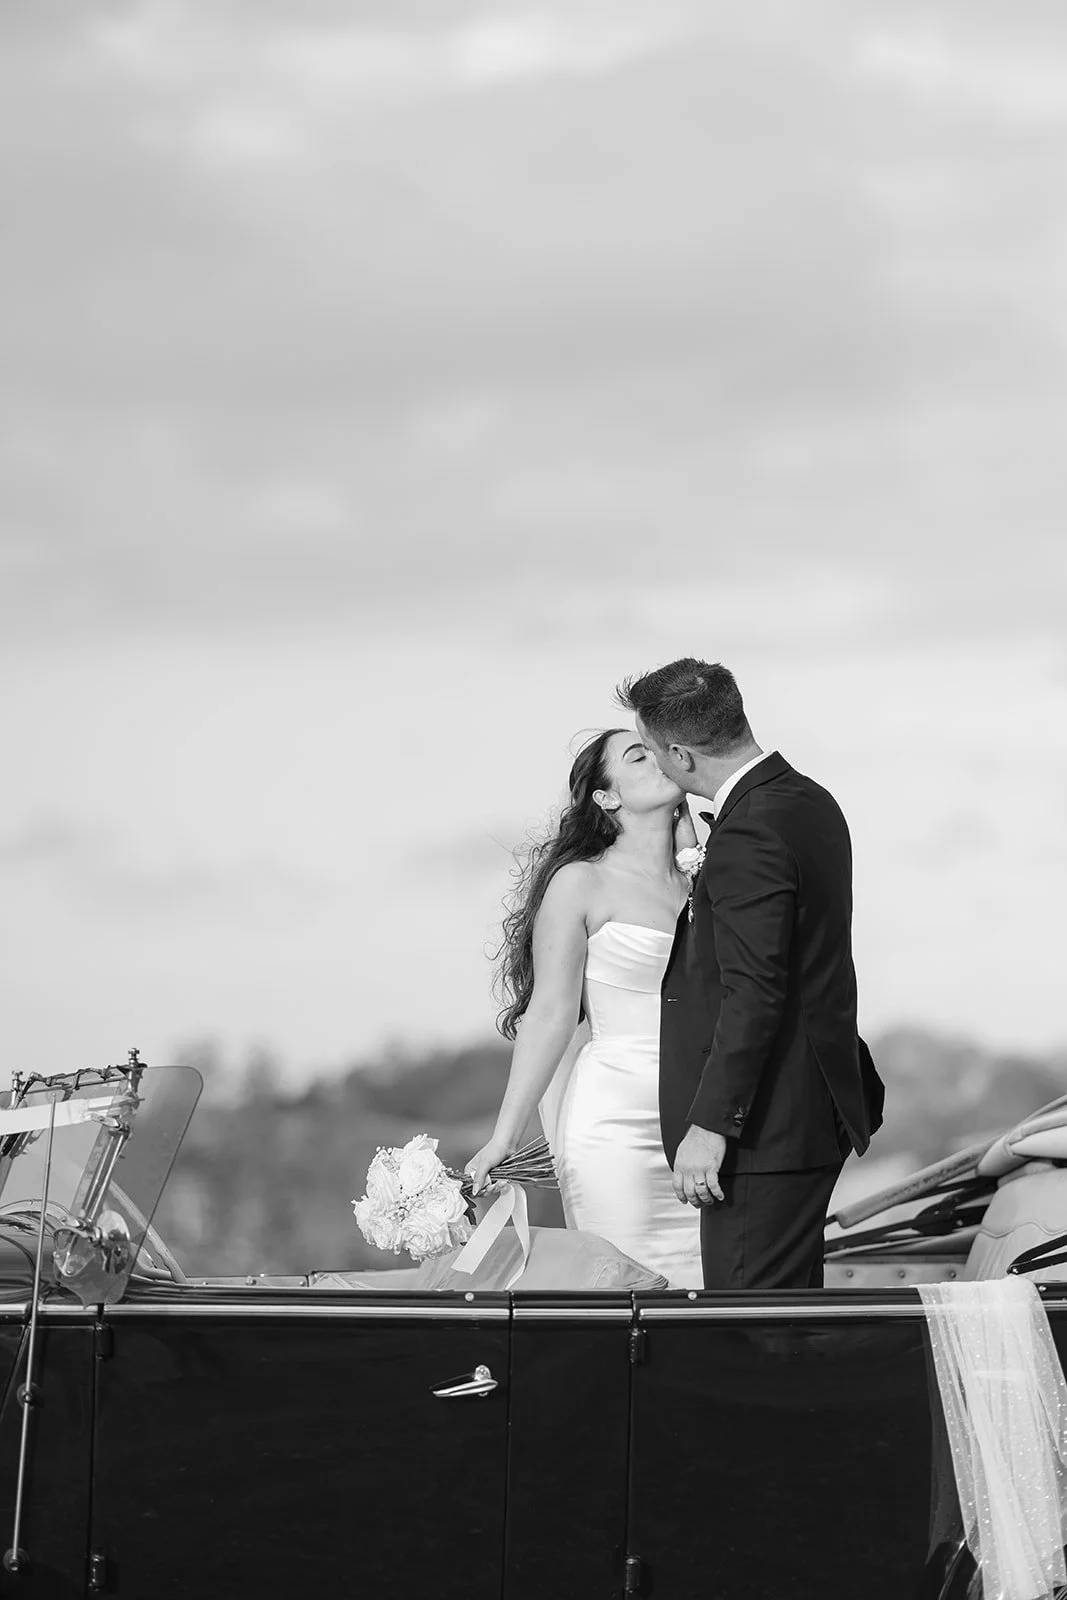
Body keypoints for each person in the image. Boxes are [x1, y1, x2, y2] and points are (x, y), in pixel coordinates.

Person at [618, 658, 885, 1290]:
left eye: (653, 754)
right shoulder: (809, 800)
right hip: (803, 1113)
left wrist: (710, 1127)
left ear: (680, 754)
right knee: (781, 1327)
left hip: (764, 1132)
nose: (658, 767)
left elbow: (755, 992)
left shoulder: (749, 830)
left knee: (753, 1345)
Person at [465, 729, 703, 1288]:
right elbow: (549, 1015)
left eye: (659, 746)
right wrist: (505, 1137)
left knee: (706, 1295)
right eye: (636, 755)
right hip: (616, 1129)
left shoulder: (705, 884)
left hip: (702, 1129)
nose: (658, 758)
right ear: (606, 797)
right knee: (624, 1291)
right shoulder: (581, 883)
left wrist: (697, 859)